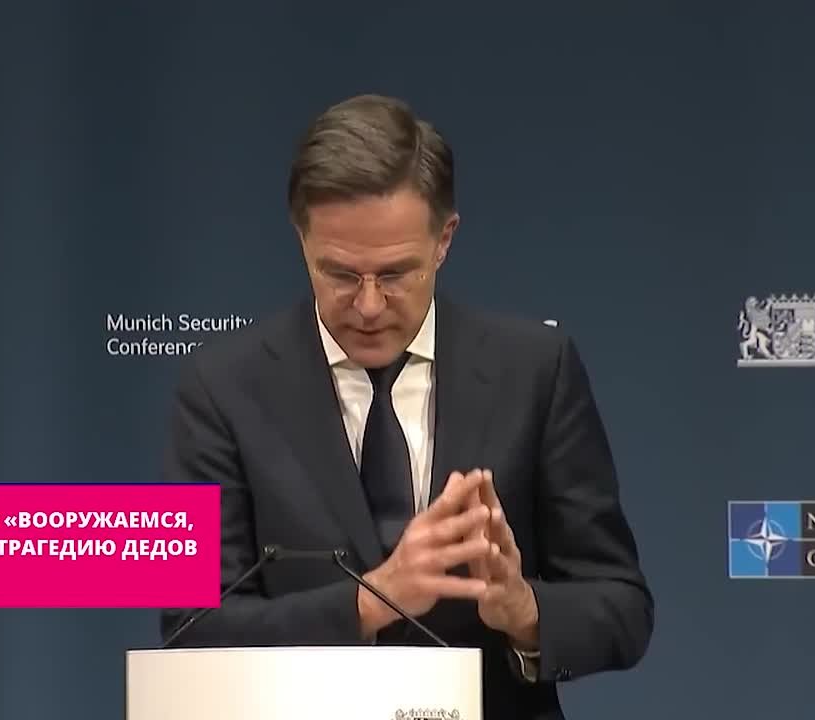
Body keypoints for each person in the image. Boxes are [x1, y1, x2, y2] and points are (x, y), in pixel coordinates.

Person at [159, 93, 653, 720]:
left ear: (444, 240)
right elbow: (190, 628)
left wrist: (524, 610)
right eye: (340, 274)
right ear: (301, 239)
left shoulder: (535, 370)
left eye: (395, 274)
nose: (368, 306)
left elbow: (623, 607)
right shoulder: (221, 387)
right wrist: (371, 601)